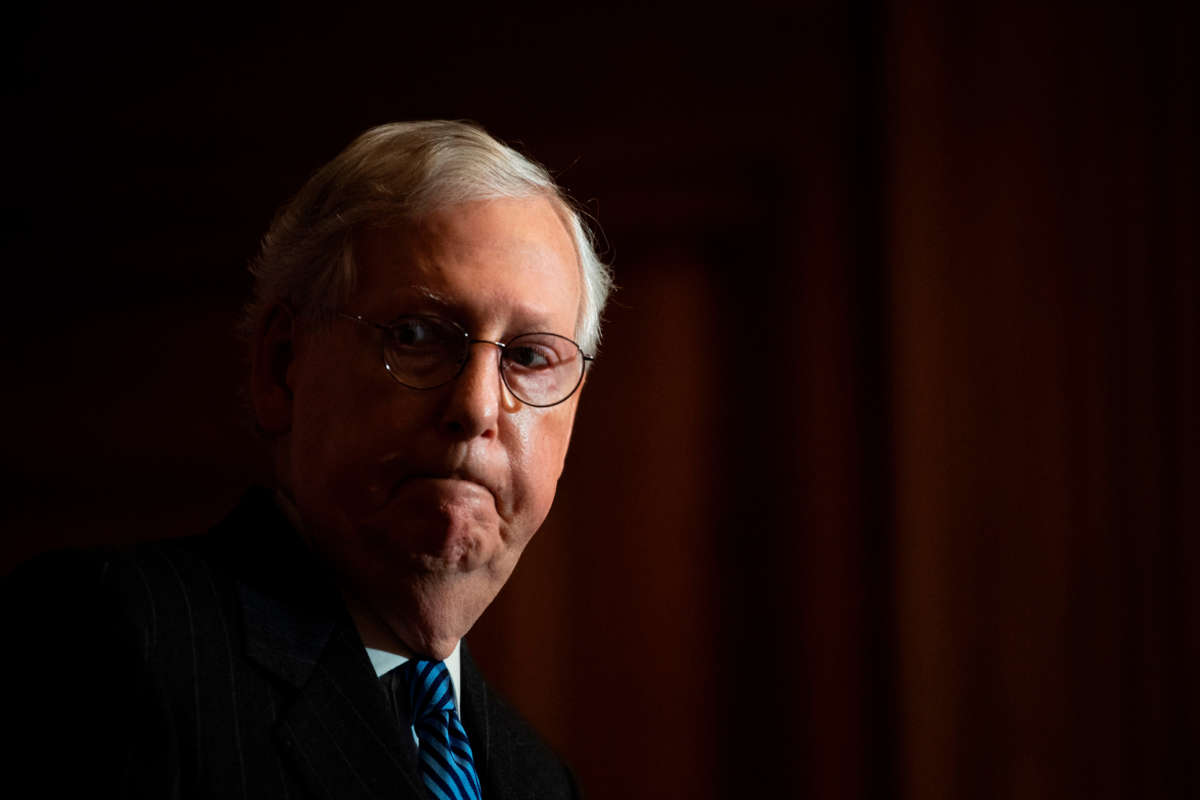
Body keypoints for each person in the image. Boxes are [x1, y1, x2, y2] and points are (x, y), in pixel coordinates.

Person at [2, 120, 612, 799]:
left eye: (528, 356)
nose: (476, 407)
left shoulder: (540, 782)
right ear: (282, 367)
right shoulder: (108, 642)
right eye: (416, 335)